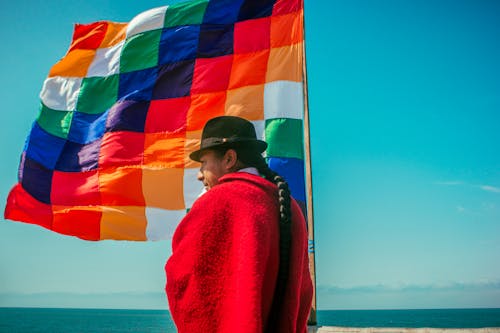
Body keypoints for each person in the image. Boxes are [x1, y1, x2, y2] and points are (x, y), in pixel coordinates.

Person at [165, 116, 313, 332]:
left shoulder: (216, 202)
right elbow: (304, 292)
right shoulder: (290, 208)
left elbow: (183, 281)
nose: (199, 175)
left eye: (204, 163)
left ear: (229, 159)